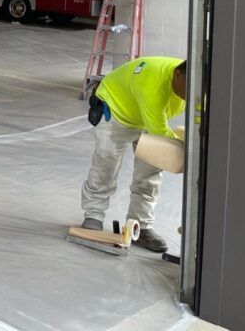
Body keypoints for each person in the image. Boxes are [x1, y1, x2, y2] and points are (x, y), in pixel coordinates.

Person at [80, 56, 187, 252]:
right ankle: (93, 215)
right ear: (177, 74)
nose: (190, 94)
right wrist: (185, 152)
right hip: (116, 109)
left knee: (151, 169)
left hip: (148, 117)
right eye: (186, 88)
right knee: (107, 161)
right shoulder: (153, 85)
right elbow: (160, 133)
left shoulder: (196, 88)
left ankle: (141, 225)